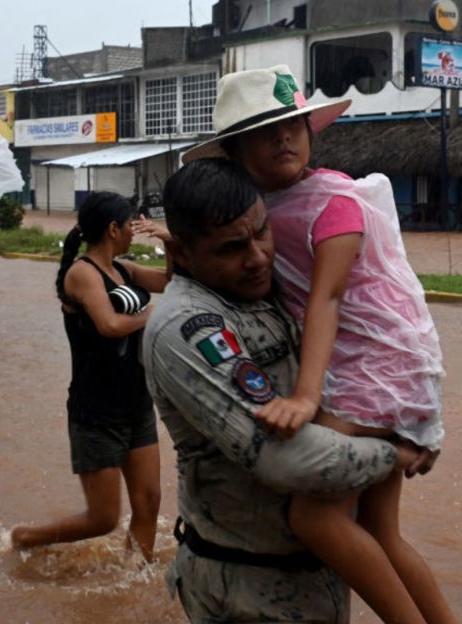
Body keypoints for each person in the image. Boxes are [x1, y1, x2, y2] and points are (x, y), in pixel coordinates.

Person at [184, 65, 452, 623]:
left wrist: (307, 399)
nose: (284, 137)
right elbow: (224, 273)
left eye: (294, 125)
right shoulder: (260, 214)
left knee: (314, 518)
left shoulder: (336, 202)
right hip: (366, 369)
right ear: (234, 151)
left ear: (310, 132)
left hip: (377, 368)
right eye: (265, 129)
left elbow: (326, 298)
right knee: (380, 531)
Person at [145, 158, 422, 623]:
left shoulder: (273, 284)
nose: (256, 257)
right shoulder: (188, 328)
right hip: (248, 593)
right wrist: (394, 456)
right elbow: (283, 459)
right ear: (184, 253)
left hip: (317, 578)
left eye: (261, 233)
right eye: (232, 248)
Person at [10, 192, 171, 560]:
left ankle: (135, 576)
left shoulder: (123, 269)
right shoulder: (82, 273)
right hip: (96, 411)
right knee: (103, 519)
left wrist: (169, 240)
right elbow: (110, 325)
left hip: (136, 402)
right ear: (113, 229)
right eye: (130, 224)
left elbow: (169, 281)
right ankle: (25, 537)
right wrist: (151, 318)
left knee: (149, 502)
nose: (134, 230)